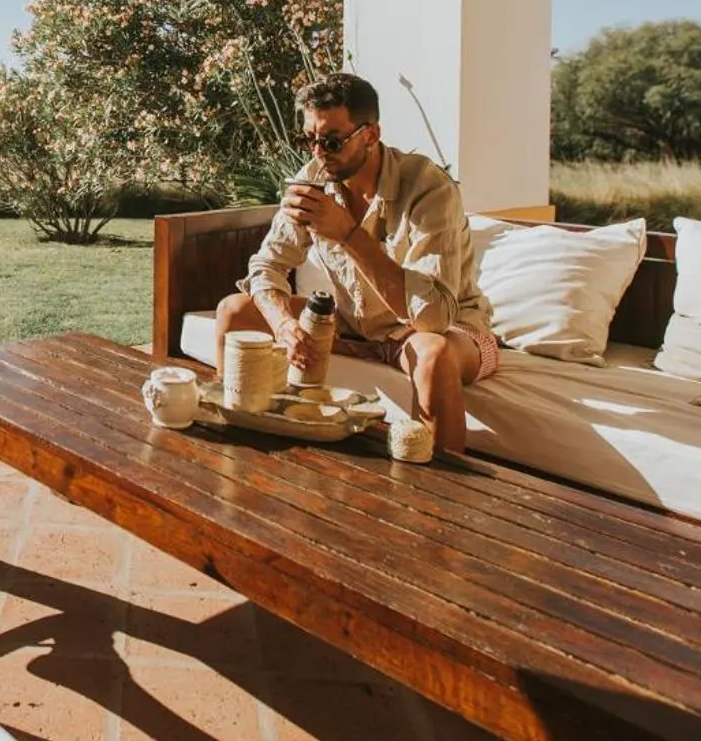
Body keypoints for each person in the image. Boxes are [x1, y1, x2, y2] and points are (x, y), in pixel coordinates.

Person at [210, 72, 498, 454]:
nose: (317, 153)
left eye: (331, 141)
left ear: (371, 135)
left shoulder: (428, 188)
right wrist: (283, 325)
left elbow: (433, 319)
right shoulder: (314, 178)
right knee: (234, 311)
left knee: (433, 355)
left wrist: (348, 234)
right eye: (308, 140)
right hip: (353, 323)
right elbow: (266, 267)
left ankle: (443, 494)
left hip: (448, 329)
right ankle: (236, 440)